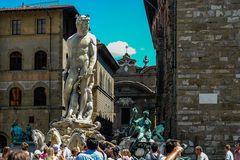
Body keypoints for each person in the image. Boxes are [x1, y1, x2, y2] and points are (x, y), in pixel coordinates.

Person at [63, 14, 97, 120]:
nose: (86, 26)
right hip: (73, 68)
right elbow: (70, 56)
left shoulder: (91, 37)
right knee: (67, 89)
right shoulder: (70, 39)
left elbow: (93, 55)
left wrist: (91, 66)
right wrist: (66, 69)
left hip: (85, 66)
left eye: (87, 24)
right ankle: (67, 111)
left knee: (84, 90)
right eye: (84, 24)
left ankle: (80, 114)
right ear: (78, 24)